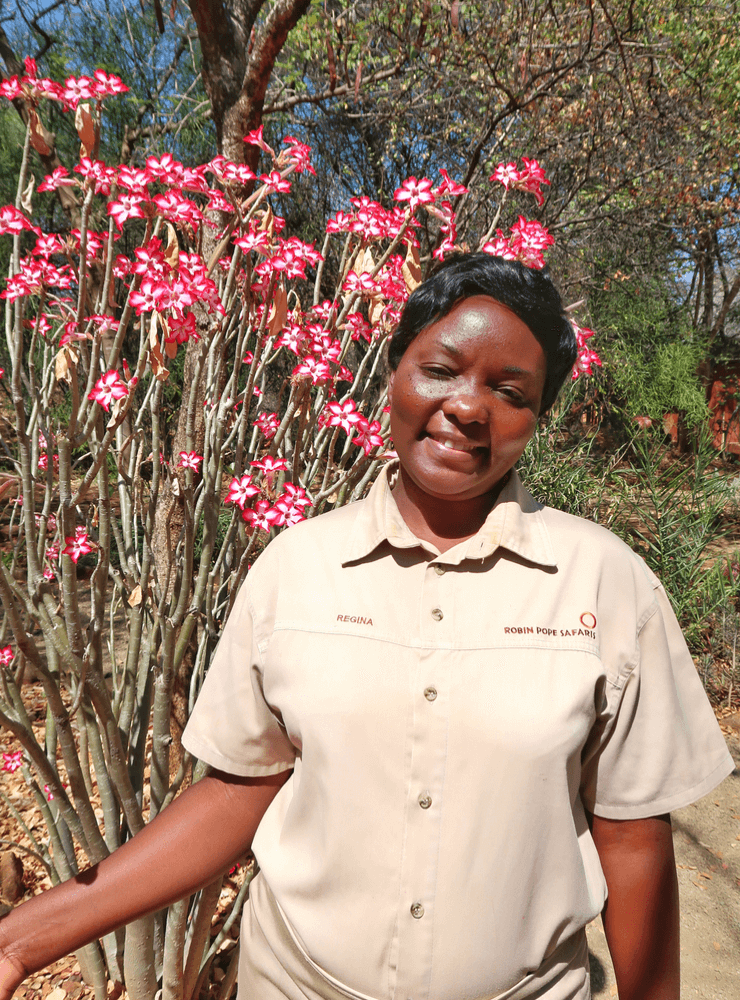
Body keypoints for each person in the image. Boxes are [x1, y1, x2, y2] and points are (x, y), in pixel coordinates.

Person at [0, 254, 733, 1000]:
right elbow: (235, 793)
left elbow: (634, 837)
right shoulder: (298, 566)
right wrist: (22, 942)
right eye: (440, 369)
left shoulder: (607, 586)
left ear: (537, 416)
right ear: (393, 372)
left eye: (510, 391)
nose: (469, 407)